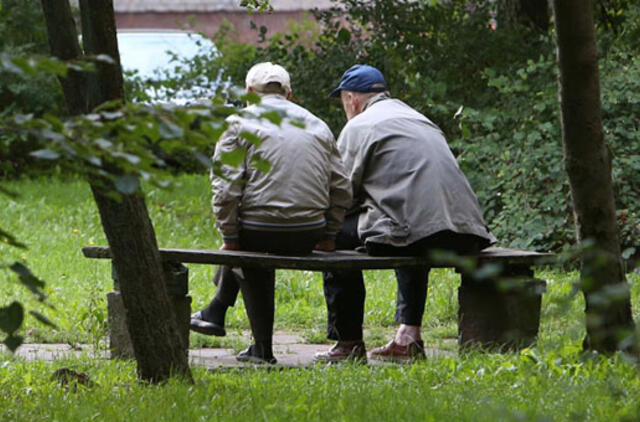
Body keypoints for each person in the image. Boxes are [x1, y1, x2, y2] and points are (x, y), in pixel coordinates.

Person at [314, 64, 496, 363]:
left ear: (351, 99)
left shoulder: (359, 126)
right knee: (410, 224)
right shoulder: (421, 120)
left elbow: (340, 194)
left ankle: (347, 343)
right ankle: (408, 336)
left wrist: (324, 230)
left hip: (416, 231)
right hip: (466, 231)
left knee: (337, 234)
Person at [190, 62, 351, 364]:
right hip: (308, 231)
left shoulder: (239, 122)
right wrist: (329, 233)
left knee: (247, 245)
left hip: (259, 229)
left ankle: (248, 336)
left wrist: (229, 236)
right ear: (290, 94)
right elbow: (341, 187)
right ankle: (217, 311)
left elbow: (225, 190)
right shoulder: (317, 125)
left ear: (250, 92)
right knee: (250, 242)